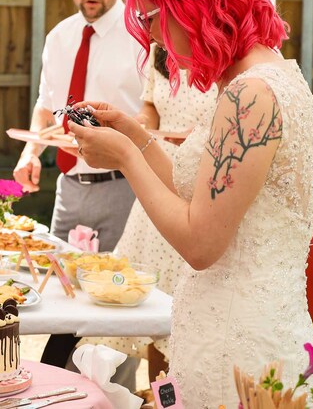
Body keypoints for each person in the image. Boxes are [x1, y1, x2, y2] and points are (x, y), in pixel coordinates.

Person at [67, 0, 313, 407]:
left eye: (150, 19)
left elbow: (202, 243)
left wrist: (123, 157)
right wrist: (136, 135)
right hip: (242, 327)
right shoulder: (271, 76)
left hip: (238, 345)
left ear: (191, 5)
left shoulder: (251, 95)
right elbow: (201, 192)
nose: (154, 39)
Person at [12, 0, 144, 381]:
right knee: (62, 300)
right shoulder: (59, 36)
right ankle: (61, 389)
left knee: (118, 309)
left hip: (126, 188)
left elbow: (153, 112)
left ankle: (114, 397)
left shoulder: (140, 37)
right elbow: (47, 106)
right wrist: (32, 150)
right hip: (69, 189)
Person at [83, 43, 217, 382]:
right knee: (155, 306)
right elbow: (151, 109)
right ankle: (159, 396)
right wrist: (137, 125)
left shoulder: (224, 57)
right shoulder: (160, 50)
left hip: (203, 177)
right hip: (157, 174)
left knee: (186, 306)